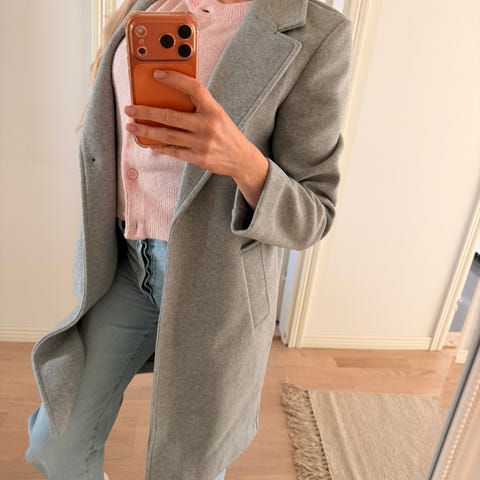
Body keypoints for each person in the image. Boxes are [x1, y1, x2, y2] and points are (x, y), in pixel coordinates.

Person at [24, 0, 353, 479]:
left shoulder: (318, 32)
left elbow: (313, 213)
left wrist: (243, 160)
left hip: (215, 288)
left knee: (186, 467)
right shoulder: (152, 7)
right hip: (122, 266)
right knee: (56, 444)